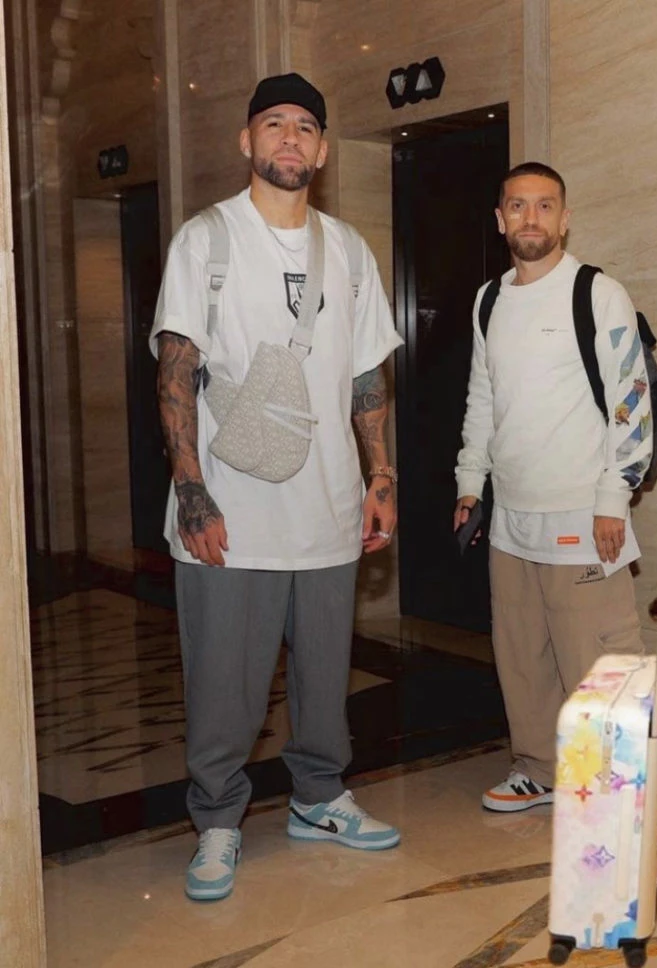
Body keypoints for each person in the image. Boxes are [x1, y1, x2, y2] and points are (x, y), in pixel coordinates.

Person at [152, 72, 403, 902]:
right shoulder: (208, 240)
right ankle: (218, 821)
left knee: (325, 679)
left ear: (324, 150)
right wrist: (191, 488)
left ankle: (320, 799)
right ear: (246, 141)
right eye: (273, 124)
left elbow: (367, 374)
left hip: (329, 510)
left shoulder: (349, 248)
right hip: (232, 510)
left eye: (304, 127)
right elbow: (177, 369)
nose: (289, 138)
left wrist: (380, 476)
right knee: (225, 681)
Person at [454, 162, 653, 812]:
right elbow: (483, 399)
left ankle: (613, 787)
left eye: (544, 206)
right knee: (523, 658)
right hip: (512, 522)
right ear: (500, 219)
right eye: (518, 206)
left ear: (565, 219)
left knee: (598, 664)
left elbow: (630, 402)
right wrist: (469, 481)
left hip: (584, 516)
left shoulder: (596, 293)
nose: (531, 218)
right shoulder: (489, 301)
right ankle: (538, 769)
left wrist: (612, 498)